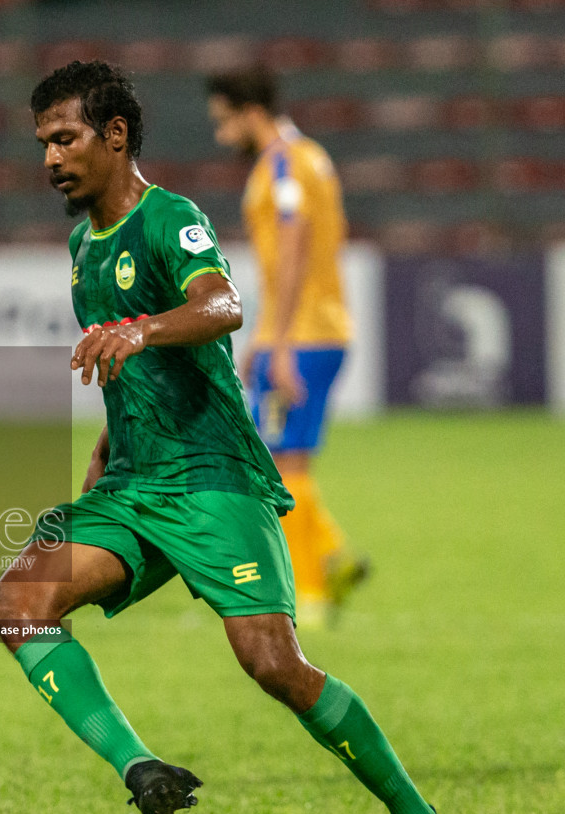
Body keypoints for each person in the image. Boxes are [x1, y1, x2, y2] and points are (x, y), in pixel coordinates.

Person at [0, 62, 453, 814]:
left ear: (115, 135)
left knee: (273, 663)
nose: (51, 158)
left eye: (65, 139)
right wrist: (108, 438)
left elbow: (222, 305)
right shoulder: (80, 244)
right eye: (43, 144)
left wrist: (137, 329)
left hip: (211, 475)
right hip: (133, 482)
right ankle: (140, 769)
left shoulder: (172, 218)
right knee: (19, 604)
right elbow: (121, 359)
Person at [207, 67, 369, 627]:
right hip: (315, 329)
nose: (220, 133)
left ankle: (314, 593)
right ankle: (333, 557)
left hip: (303, 335)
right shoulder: (310, 157)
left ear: (249, 111)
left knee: (283, 461)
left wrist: (276, 341)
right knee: (277, 455)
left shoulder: (283, 163)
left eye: (224, 120)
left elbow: (294, 243)